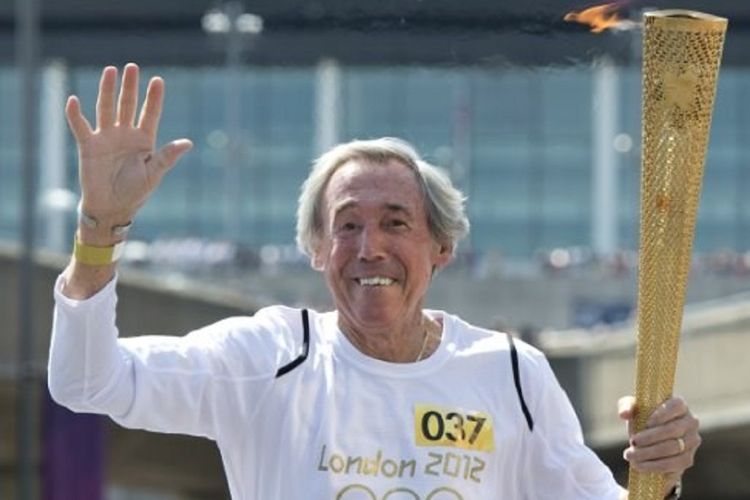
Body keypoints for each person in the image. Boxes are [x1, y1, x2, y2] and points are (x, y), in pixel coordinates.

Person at [49, 64, 700, 500]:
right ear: (316, 249)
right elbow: (87, 380)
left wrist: (660, 475)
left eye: (396, 223)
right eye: (347, 225)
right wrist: (100, 227)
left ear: (441, 247)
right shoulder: (267, 357)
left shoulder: (509, 374)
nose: (370, 248)